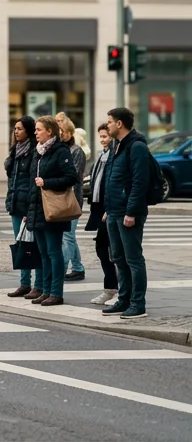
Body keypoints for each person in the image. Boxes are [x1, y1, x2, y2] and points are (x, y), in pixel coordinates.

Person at [102, 107, 150, 320]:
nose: (108, 125)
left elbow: (140, 182)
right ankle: (124, 299)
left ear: (120, 123)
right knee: (118, 258)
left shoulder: (136, 146)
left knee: (133, 259)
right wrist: (107, 208)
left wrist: (131, 212)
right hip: (113, 211)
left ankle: (137, 303)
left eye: (110, 122)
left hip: (128, 212)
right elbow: (112, 178)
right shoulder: (116, 145)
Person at [28, 115, 78, 306]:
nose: (36, 133)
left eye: (38, 129)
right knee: (43, 253)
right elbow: (32, 182)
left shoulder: (60, 150)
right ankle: (46, 290)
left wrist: (47, 182)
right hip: (38, 208)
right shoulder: (38, 152)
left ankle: (56, 292)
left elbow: (71, 177)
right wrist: (28, 209)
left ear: (49, 131)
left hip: (53, 210)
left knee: (53, 252)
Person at [4, 116, 38, 298]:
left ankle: (38, 285)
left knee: (34, 245)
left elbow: (32, 181)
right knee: (21, 244)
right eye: (15, 128)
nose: (16, 132)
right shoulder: (15, 151)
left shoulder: (33, 151)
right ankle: (24, 283)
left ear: (29, 131)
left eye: (20, 129)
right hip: (16, 202)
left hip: (28, 204)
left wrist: (29, 206)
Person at [86, 123, 118, 306]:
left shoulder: (114, 155)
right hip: (99, 208)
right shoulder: (102, 155)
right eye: (100, 136)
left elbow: (112, 183)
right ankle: (110, 288)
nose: (102, 139)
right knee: (101, 249)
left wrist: (109, 207)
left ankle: (118, 290)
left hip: (109, 208)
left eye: (105, 136)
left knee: (114, 252)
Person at [58, 118, 88, 281]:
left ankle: (61, 269)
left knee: (67, 236)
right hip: (63, 198)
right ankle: (78, 267)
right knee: (69, 236)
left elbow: (74, 176)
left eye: (61, 132)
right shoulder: (60, 150)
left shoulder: (76, 151)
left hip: (72, 198)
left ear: (69, 134)